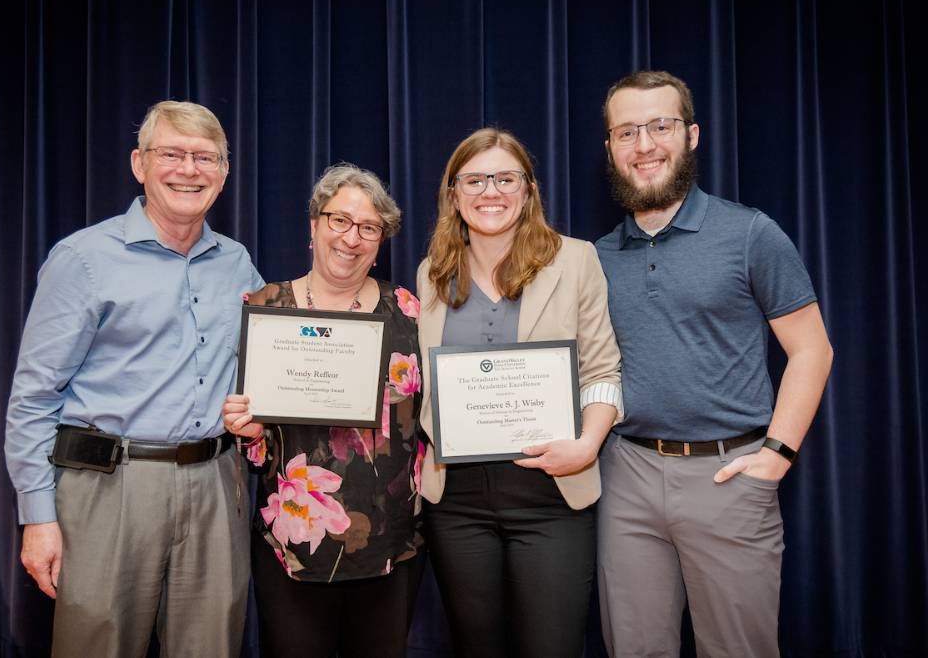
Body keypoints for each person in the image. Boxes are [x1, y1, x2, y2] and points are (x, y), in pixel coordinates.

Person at [4, 101, 263, 657]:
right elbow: (31, 400)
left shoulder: (238, 264)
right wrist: (38, 518)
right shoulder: (83, 259)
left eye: (205, 157)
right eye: (170, 153)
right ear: (138, 164)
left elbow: (268, 365)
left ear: (223, 173)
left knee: (211, 647)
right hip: (108, 490)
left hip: (217, 485)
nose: (188, 169)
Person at [594, 70, 834, 657]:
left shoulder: (750, 233)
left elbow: (812, 350)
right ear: (610, 148)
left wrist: (775, 457)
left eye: (661, 126)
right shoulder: (593, 258)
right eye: (627, 132)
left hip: (730, 475)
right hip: (626, 479)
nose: (645, 145)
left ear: (692, 134)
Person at [415, 128, 623, 657]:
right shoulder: (431, 275)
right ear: (454, 192)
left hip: (553, 492)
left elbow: (603, 370)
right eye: (476, 179)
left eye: (506, 179)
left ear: (528, 190)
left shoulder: (575, 260)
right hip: (455, 499)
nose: (492, 192)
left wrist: (588, 444)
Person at [222, 163, 424, 658]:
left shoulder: (407, 309)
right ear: (313, 224)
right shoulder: (267, 304)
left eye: (369, 227)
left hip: (390, 540)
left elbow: (428, 419)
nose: (351, 238)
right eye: (339, 220)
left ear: (380, 241)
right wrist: (246, 429)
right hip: (295, 542)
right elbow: (257, 441)